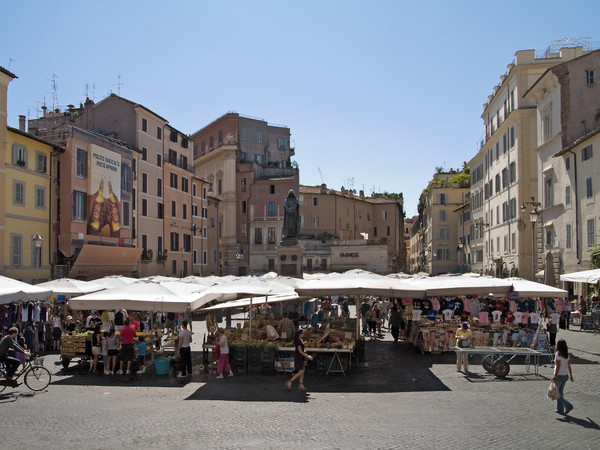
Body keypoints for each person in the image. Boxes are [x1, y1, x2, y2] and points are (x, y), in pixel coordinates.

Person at [552, 339, 574, 415]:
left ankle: (568, 405)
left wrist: (554, 376)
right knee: (560, 392)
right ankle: (560, 409)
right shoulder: (567, 355)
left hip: (559, 376)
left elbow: (557, 367)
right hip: (565, 375)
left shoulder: (558, 355)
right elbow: (569, 366)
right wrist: (571, 375)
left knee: (556, 393)